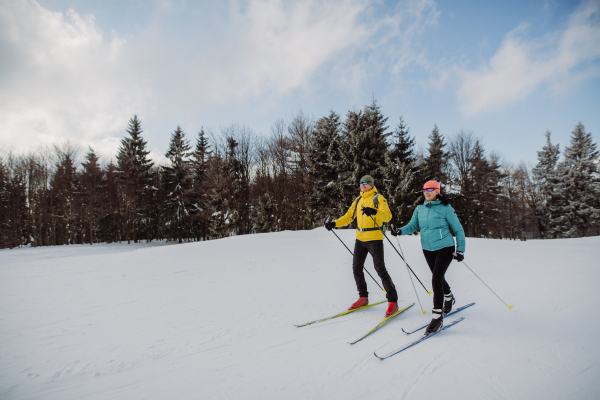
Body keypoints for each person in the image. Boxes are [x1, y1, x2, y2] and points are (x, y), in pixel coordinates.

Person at [390, 180, 465, 335]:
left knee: (436, 279)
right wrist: (399, 231)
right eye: (424, 189)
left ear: (437, 191)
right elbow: (412, 226)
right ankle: (449, 297)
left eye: (430, 189)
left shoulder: (446, 208)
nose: (426, 192)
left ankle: (437, 317)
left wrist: (461, 250)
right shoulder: (420, 208)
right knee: (438, 276)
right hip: (427, 249)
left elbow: (458, 229)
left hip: (445, 247)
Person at [324, 175, 399, 317]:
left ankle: (393, 301)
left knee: (380, 269)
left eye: (365, 183)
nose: (362, 185)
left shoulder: (378, 198)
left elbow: (388, 216)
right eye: (360, 183)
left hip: (375, 239)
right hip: (360, 239)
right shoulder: (358, 200)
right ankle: (363, 297)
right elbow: (348, 217)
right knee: (356, 268)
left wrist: (375, 212)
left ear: (371, 184)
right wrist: (334, 223)